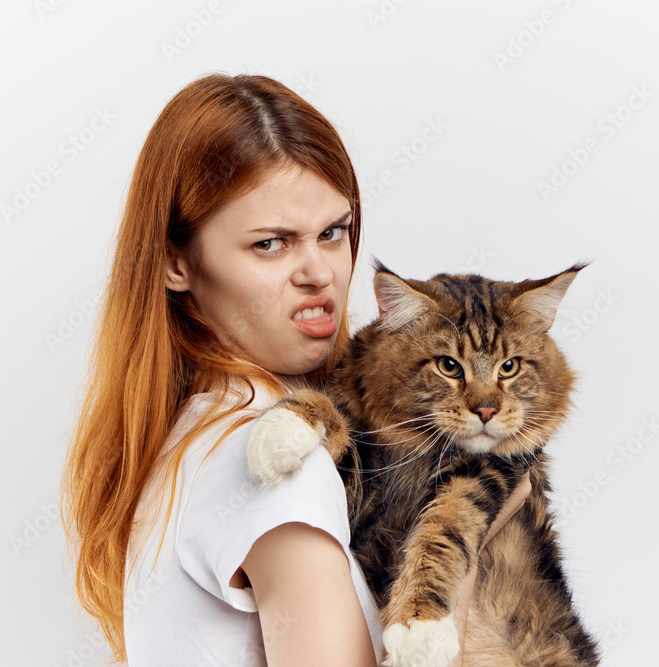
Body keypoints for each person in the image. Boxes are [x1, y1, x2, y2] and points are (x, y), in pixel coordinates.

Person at [60, 72, 530, 666]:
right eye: (270, 244)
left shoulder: (197, 433)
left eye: (332, 232)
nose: (320, 273)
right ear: (175, 263)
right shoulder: (273, 463)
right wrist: (469, 542)